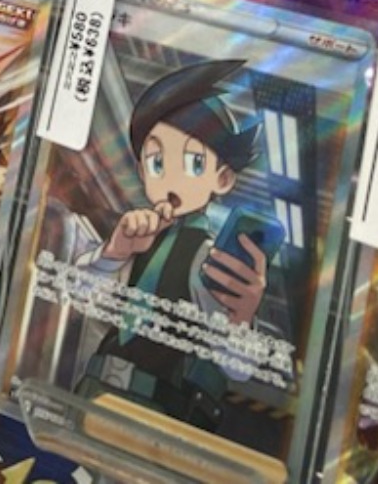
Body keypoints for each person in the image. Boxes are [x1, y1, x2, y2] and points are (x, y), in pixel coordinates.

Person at [77, 58, 269, 430]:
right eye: (156, 162)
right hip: (94, 393)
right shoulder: (137, 237)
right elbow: (79, 296)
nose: (172, 179)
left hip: (159, 416)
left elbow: (237, 369)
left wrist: (242, 319)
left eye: (194, 163)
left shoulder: (211, 259)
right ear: (141, 171)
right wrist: (113, 253)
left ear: (223, 179)